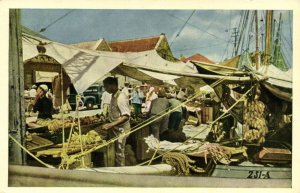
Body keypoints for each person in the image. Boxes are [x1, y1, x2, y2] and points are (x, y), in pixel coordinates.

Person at [102, 77, 131, 167]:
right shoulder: (113, 96)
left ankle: (121, 172)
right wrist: (107, 118)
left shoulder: (121, 97)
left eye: (106, 86)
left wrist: (110, 124)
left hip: (121, 130)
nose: (105, 89)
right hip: (115, 129)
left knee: (119, 153)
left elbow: (126, 116)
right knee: (115, 152)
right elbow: (116, 113)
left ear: (113, 85)